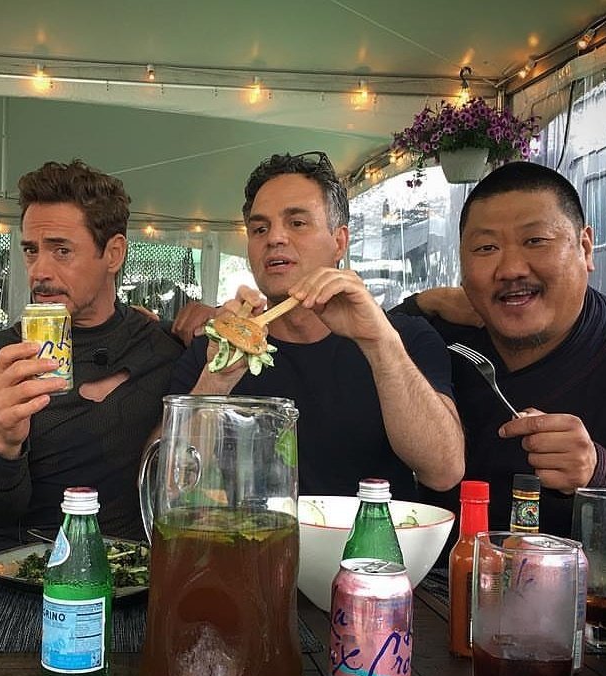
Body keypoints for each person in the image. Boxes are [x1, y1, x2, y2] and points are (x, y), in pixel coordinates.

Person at [395, 161, 606, 544]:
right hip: (431, 578)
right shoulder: (439, 341)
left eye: (536, 241)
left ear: (585, 247)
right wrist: (419, 304)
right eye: (486, 248)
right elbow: (365, 347)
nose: (511, 269)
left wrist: (605, 473)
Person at [170, 152, 464, 499]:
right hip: (255, 534)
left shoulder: (405, 338)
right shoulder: (214, 353)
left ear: (339, 241)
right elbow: (172, 485)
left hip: (369, 535)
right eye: (260, 229)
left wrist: (379, 343)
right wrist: (216, 380)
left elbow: (444, 471)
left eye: (297, 223)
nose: (274, 238)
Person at [0, 160, 183, 548]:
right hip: (26, 567)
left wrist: (204, 319)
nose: (39, 271)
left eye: (61, 251)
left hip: (137, 568)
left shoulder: (165, 348)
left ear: (113, 253)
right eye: (31, 251)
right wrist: (4, 443)